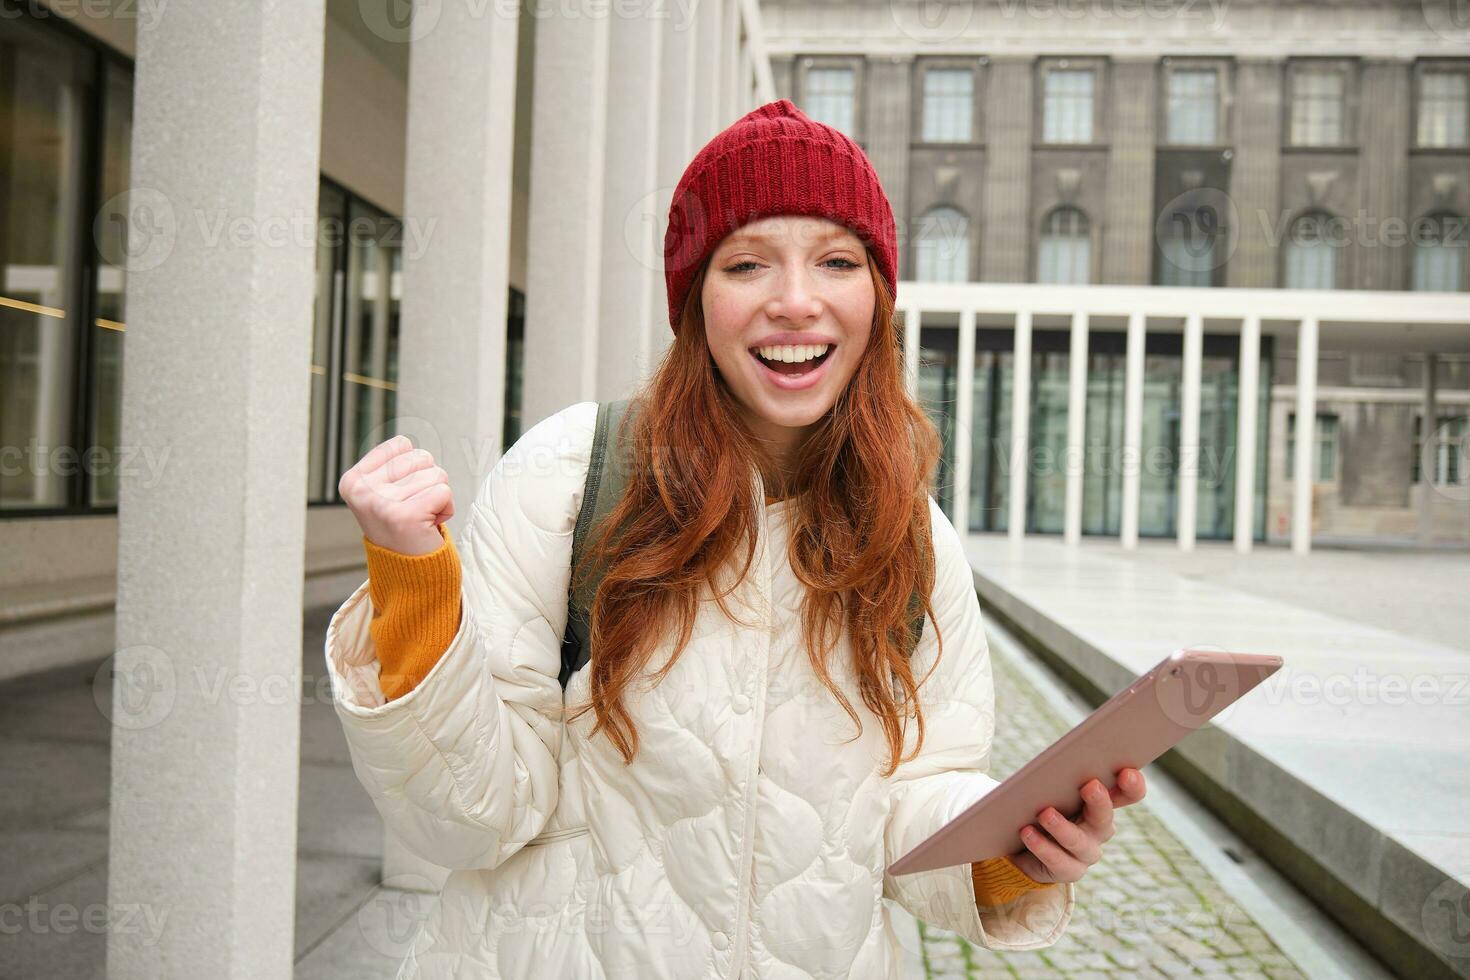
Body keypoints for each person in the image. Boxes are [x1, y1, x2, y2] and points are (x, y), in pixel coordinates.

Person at [325, 98, 1146, 979]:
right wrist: (414, 591)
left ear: (877, 295)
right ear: (694, 301)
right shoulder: (571, 474)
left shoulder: (914, 537)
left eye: (836, 260)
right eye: (748, 264)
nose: (796, 303)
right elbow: (471, 814)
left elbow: (909, 804)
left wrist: (1010, 853)